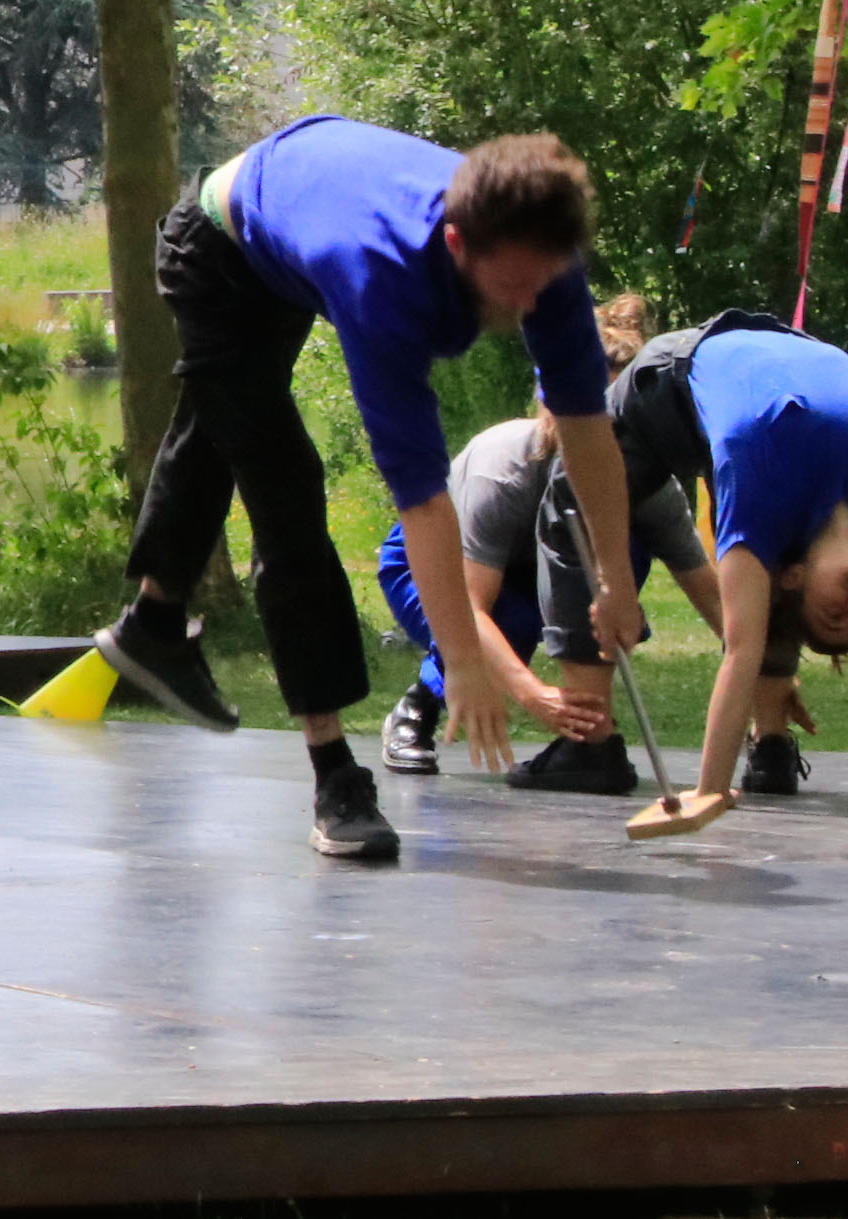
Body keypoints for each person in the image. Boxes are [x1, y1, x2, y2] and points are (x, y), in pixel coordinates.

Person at [96, 119, 648, 863]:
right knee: (285, 488)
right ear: (458, 246)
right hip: (220, 250)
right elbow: (424, 503)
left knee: (224, 419)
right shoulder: (378, 276)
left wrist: (614, 578)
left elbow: (587, 430)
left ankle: (154, 627)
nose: (529, 307)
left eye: (542, 284)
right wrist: (461, 661)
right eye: (513, 287)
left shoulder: (543, 258)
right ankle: (336, 777)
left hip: (296, 216)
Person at [601, 312, 848, 817]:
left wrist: (710, 790)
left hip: (681, 382)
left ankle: (594, 735)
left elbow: (741, 649)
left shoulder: (758, 484)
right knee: (569, 496)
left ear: (794, 577)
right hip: (707, 357)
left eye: (837, 616)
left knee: (576, 499)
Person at [370, 411, 724, 793]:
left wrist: (760, 670)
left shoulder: (649, 486)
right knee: (512, 624)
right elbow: (470, 608)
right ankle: (417, 708)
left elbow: (710, 592)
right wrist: (533, 695)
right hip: (429, 566)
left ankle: (587, 737)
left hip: (525, 571)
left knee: (624, 549)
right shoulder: (502, 471)